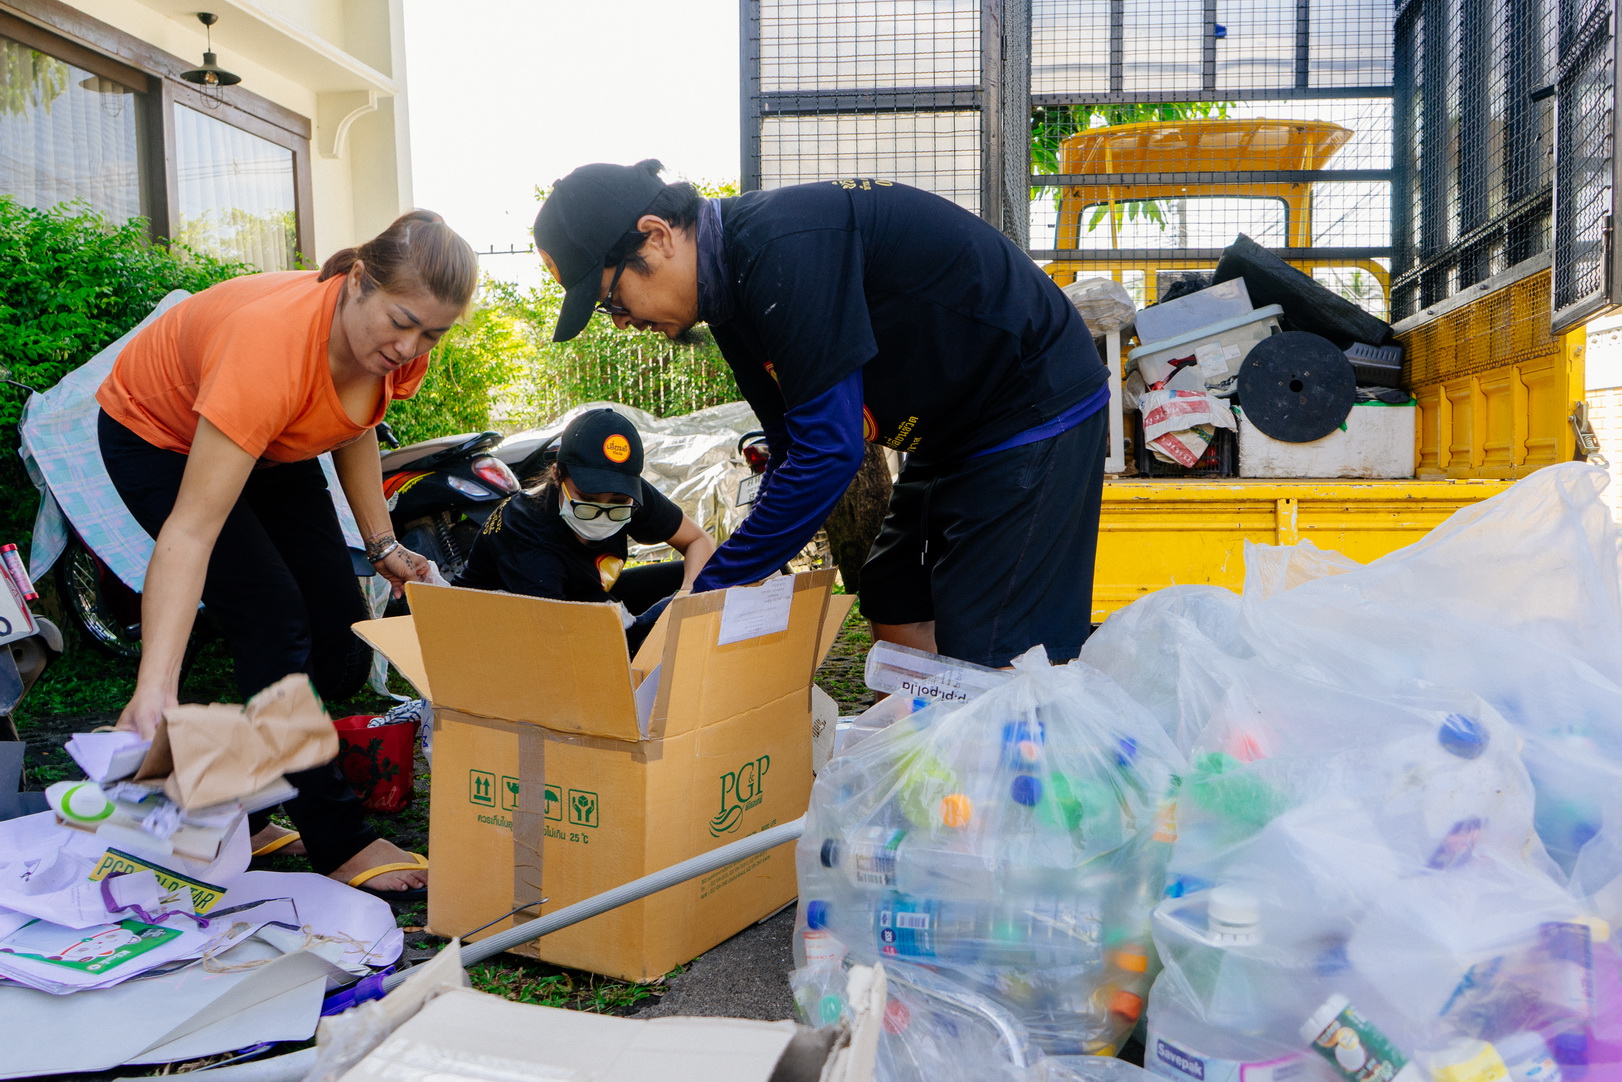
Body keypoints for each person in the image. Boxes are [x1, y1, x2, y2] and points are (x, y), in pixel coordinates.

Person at [531, 161, 1109, 668]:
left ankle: (1016, 773)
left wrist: (711, 587)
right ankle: (915, 765)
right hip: (952, 429)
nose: (620, 321)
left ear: (655, 238)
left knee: (993, 635)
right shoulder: (731, 297)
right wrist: (723, 581)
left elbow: (829, 451)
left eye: (611, 299)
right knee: (892, 591)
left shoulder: (781, 246)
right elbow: (791, 448)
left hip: (1031, 403)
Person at [97, 210, 478, 901]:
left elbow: (353, 424)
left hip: (276, 440)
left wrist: (381, 542)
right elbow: (191, 532)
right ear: (359, 279)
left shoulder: (394, 344)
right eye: (401, 322)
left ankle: (244, 804)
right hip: (159, 434)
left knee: (339, 639)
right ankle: (338, 839)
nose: (412, 346)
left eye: (432, 333)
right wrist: (156, 686)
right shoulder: (269, 347)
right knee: (271, 617)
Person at [453, 408, 716, 650]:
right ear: (557, 474)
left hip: (581, 595)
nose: (602, 512)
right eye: (587, 500)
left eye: (617, 503)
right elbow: (560, 646)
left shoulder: (627, 495)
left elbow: (697, 541)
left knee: (706, 578)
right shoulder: (530, 539)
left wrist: (686, 597)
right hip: (502, 631)